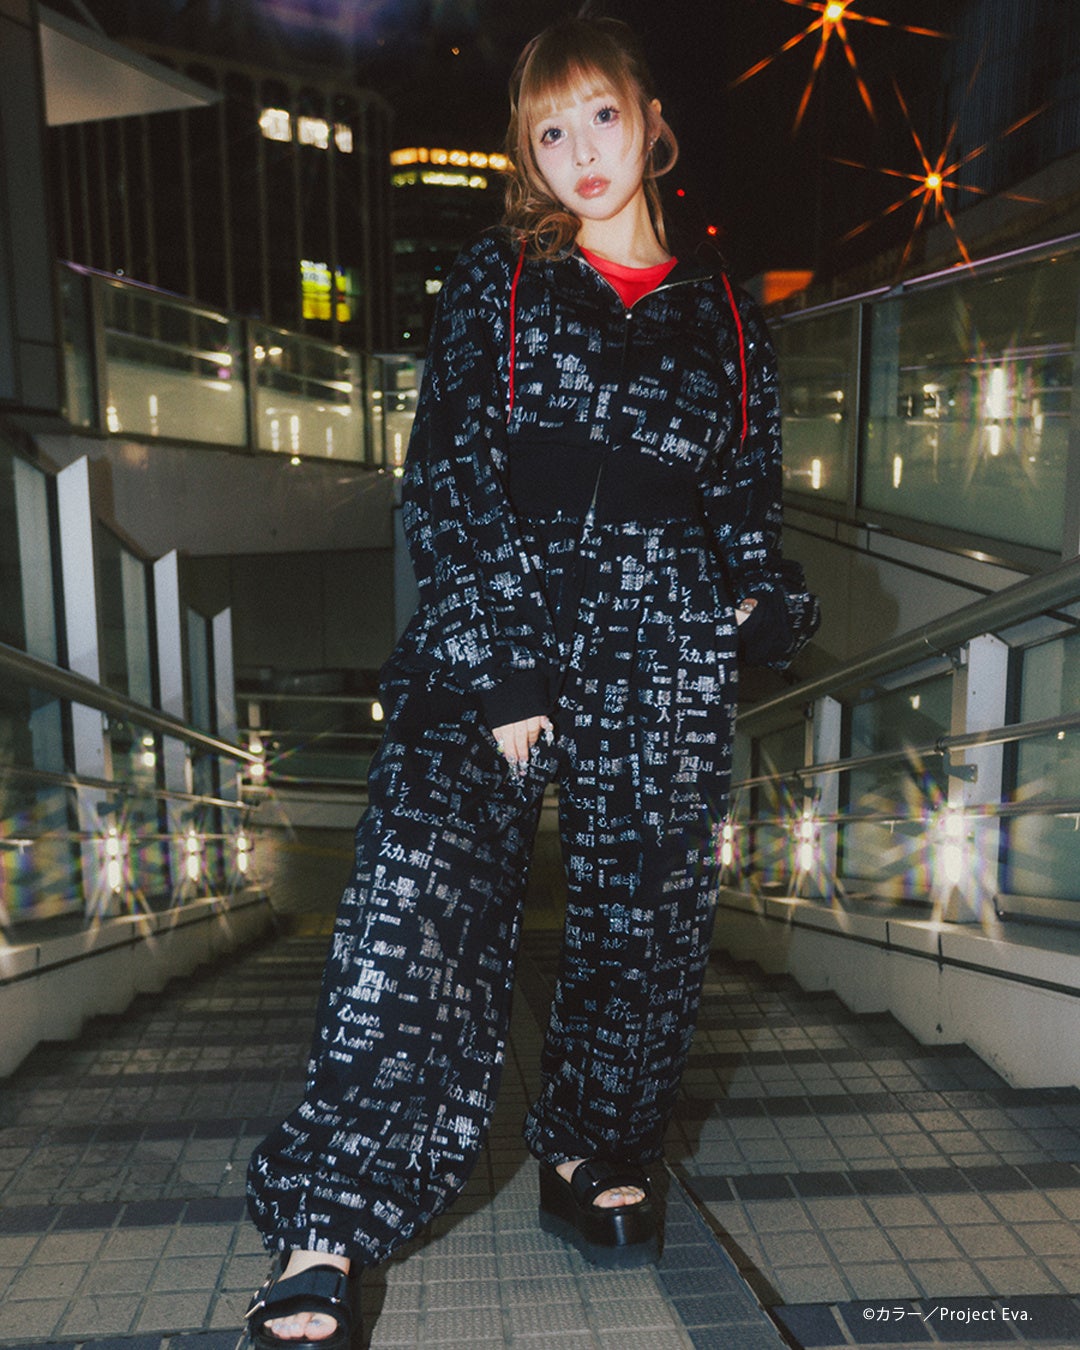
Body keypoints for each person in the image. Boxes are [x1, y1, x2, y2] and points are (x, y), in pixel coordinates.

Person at [242, 14, 819, 1348]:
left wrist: (758, 604)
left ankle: (587, 1146)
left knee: (647, 917)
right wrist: (505, 662)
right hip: (493, 627)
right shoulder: (497, 281)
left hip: (660, 639)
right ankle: (325, 1224)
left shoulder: (730, 313)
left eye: (600, 116)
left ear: (651, 119)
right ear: (527, 153)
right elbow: (448, 475)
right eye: (549, 131)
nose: (580, 152)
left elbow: (747, 505)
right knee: (412, 904)